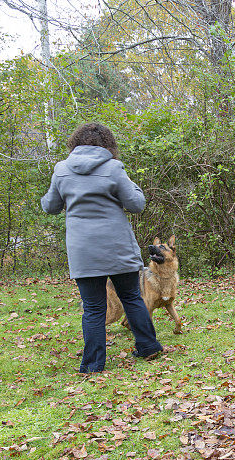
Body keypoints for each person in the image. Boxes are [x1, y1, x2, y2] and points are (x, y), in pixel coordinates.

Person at [41, 122, 163, 374]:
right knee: (131, 297)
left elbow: (50, 206)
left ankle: (93, 365)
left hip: (83, 250)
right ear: (108, 145)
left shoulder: (61, 170)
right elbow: (137, 204)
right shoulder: (114, 168)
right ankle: (149, 347)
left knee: (94, 307)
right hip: (117, 246)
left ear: (75, 143)